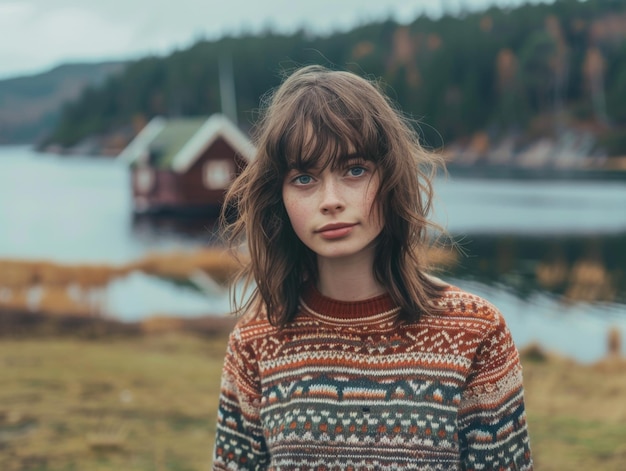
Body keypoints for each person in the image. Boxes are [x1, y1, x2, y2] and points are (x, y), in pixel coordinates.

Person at [212, 65, 532, 470]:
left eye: (355, 170)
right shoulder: (255, 343)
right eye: (305, 178)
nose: (331, 200)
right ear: (280, 196)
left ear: (392, 178)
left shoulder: (476, 333)